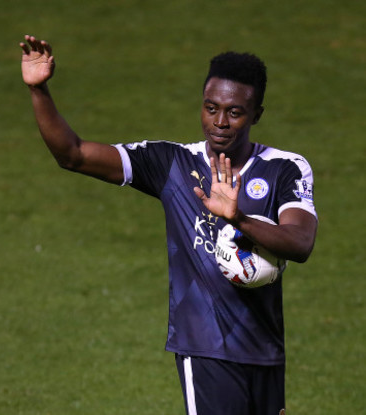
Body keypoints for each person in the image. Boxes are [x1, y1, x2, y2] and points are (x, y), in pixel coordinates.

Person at [19, 34, 318, 415]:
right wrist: (39, 90)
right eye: (211, 108)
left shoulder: (285, 168)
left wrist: (238, 218)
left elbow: (301, 242)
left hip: (265, 349)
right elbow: (73, 155)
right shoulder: (172, 163)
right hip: (205, 347)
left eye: (234, 112)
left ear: (256, 114)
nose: (220, 122)